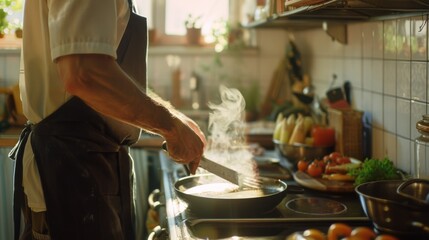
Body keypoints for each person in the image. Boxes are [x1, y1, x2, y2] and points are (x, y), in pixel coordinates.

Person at [11, 0, 206, 239]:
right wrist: (171, 127)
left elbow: (104, 70)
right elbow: (84, 73)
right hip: (69, 172)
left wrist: (174, 118)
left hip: (90, 165)